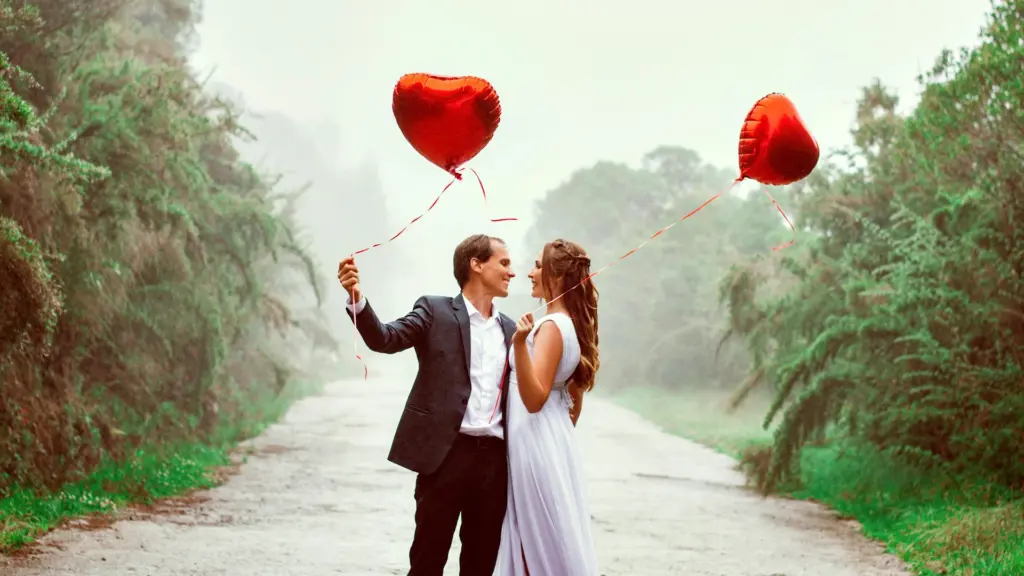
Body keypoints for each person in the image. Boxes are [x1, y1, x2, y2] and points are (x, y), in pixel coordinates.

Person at [337, 234, 516, 576]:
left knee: (481, 565)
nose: (512, 272)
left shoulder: (511, 330)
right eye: (504, 263)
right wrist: (356, 298)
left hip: (494, 464)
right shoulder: (435, 311)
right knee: (427, 562)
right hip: (444, 458)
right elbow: (385, 339)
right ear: (476, 265)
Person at [497, 238, 601, 576]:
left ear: (556, 275)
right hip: (549, 440)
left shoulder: (552, 328)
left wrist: (519, 345)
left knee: (535, 538)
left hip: (534, 442)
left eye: (538, 266)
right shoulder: (567, 324)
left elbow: (534, 398)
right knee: (543, 535)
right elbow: (572, 404)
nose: (529, 273)